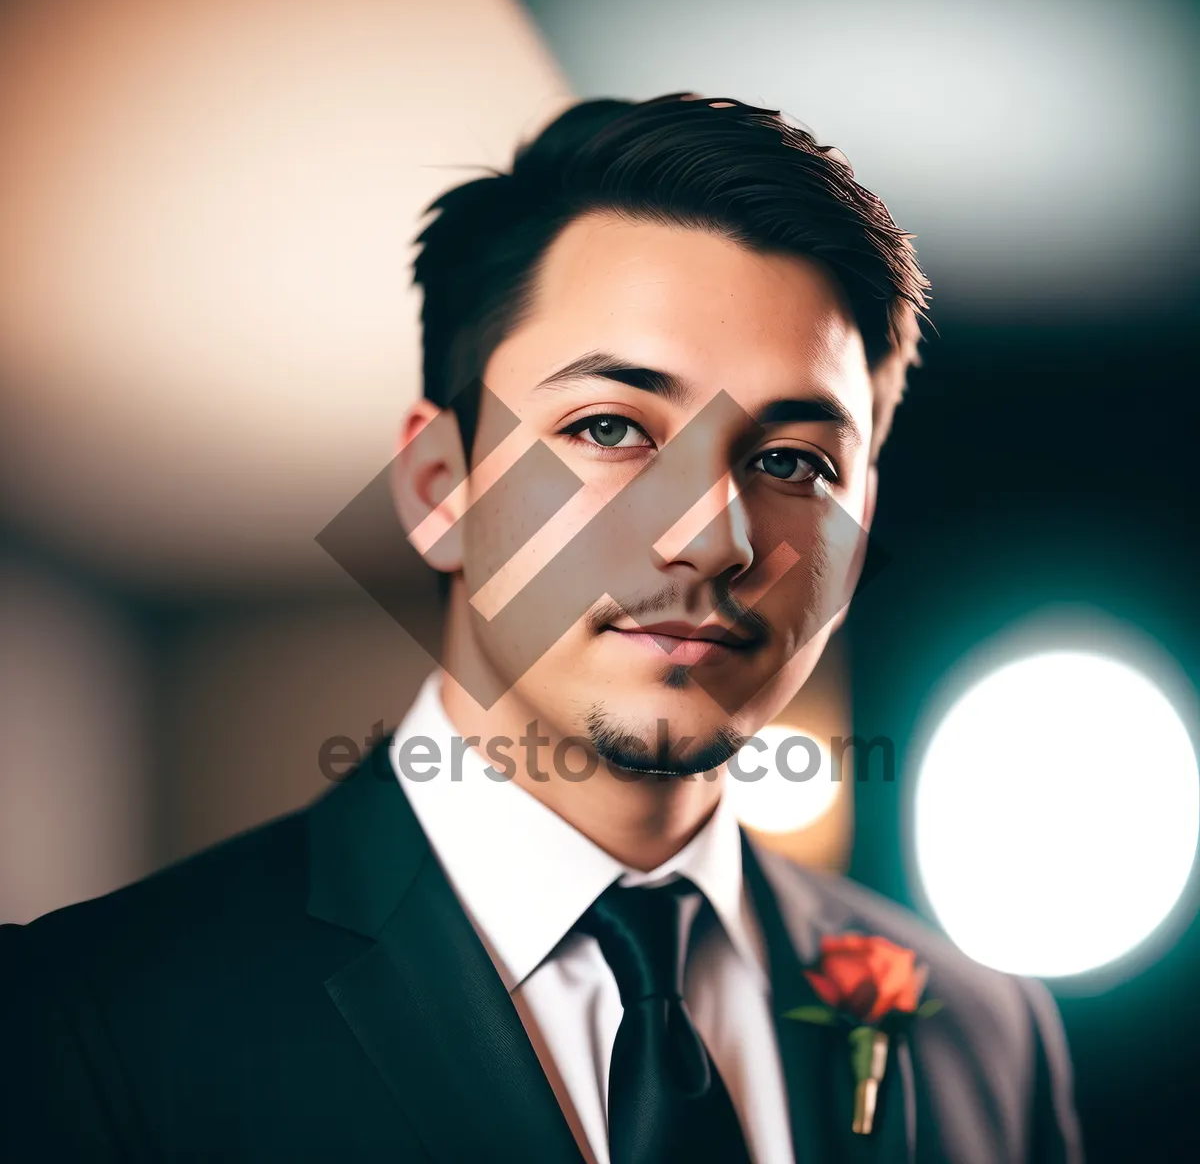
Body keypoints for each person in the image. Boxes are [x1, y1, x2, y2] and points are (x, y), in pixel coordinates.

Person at [0, 93, 1082, 1162]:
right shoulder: (87, 1018)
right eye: (611, 428)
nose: (713, 541)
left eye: (793, 462)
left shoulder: (987, 1042)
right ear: (438, 486)